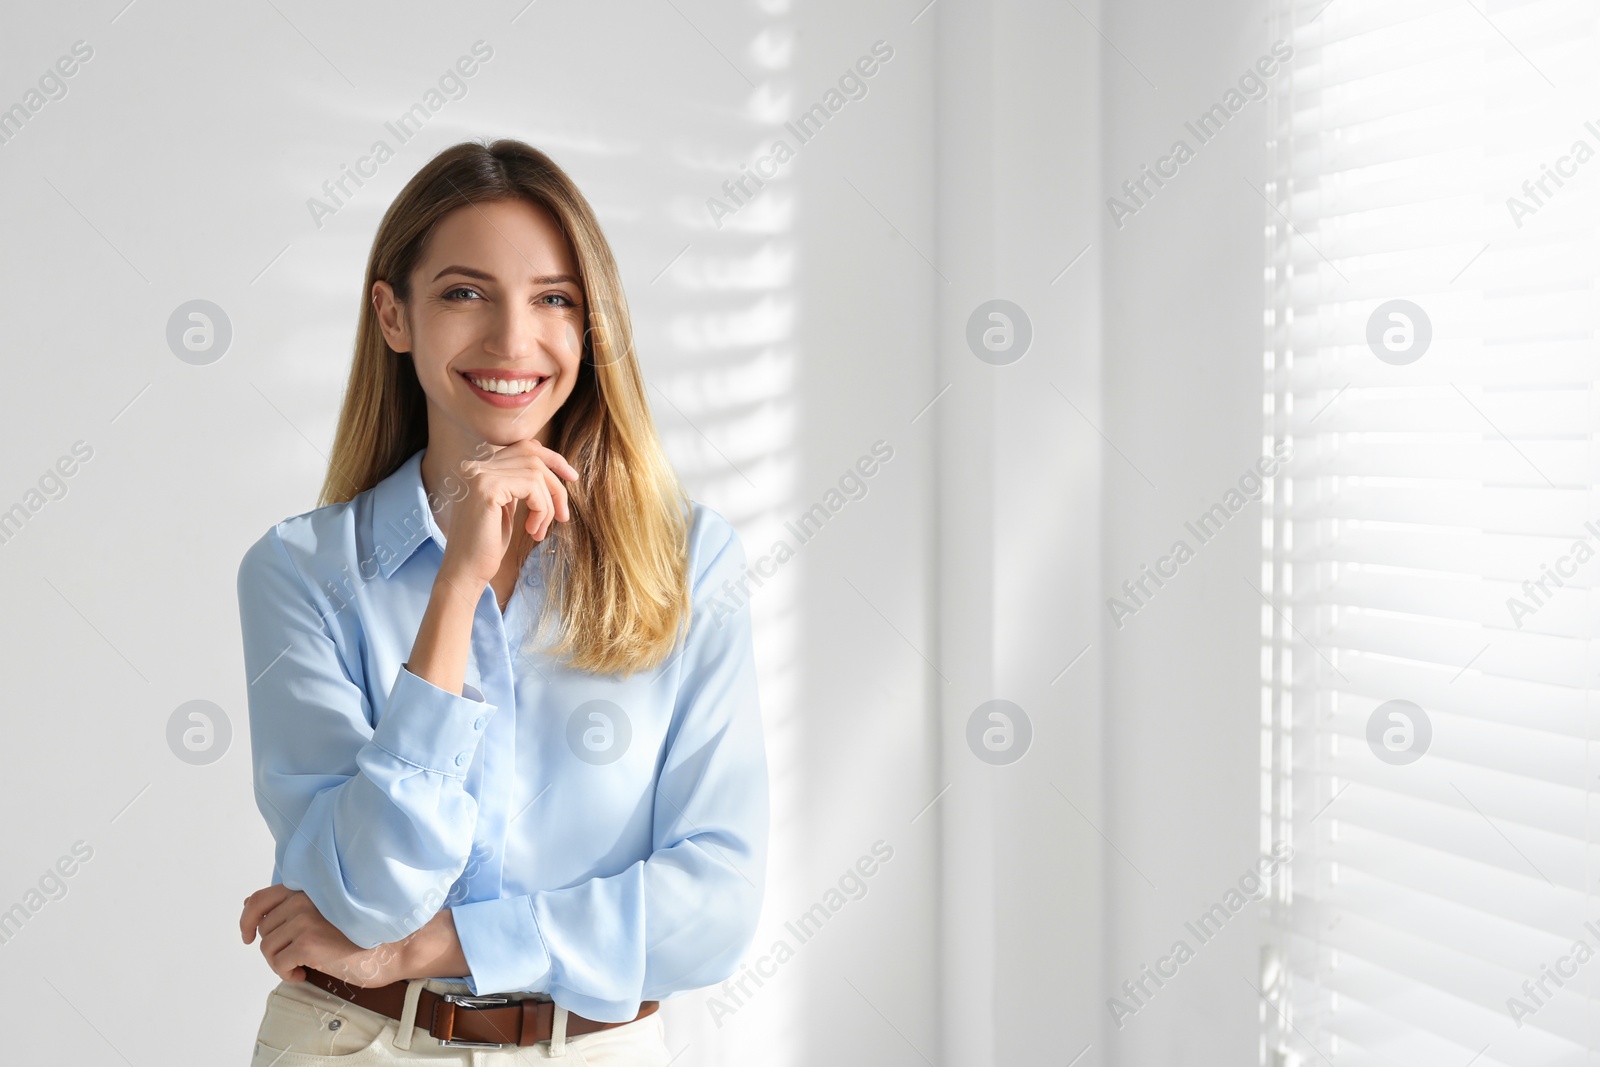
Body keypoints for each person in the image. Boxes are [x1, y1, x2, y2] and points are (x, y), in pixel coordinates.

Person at [233, 138, 768, 1065]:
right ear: (394, 315)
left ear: (590, 323)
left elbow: (715, 903)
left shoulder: (690, 562)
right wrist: (456, 586)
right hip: (354, 1043)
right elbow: (365, 896)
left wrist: (444, 946)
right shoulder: (300, 571)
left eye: (554, 297)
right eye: (464, 293)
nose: (514, 342)